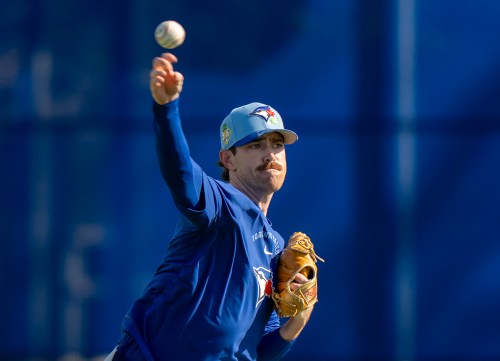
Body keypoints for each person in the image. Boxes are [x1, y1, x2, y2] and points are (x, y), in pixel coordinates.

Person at [106, 52, 315, 361]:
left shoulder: (275, 246)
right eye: (255, 145)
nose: (269, 154)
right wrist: (166, 109)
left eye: (277, 144)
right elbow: (180, 173)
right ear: (228, 159)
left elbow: (256, 350)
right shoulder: (220, 205)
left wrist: (300, 317)